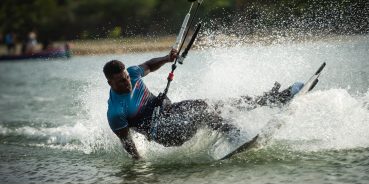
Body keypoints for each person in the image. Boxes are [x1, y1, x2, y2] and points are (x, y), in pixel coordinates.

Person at [103, 49, 303, 160]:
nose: (127, 82)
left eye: (127, 78)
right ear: (110, 82)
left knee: (214, 104)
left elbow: (148, 66)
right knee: (204, 112)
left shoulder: (133, 73)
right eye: (121, 81)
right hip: (164, 133)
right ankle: (236, 135)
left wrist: (166, 58)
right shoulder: (115, 112)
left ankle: (272, 100)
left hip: (170, 112)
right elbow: (127, 143)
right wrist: (141, 167)